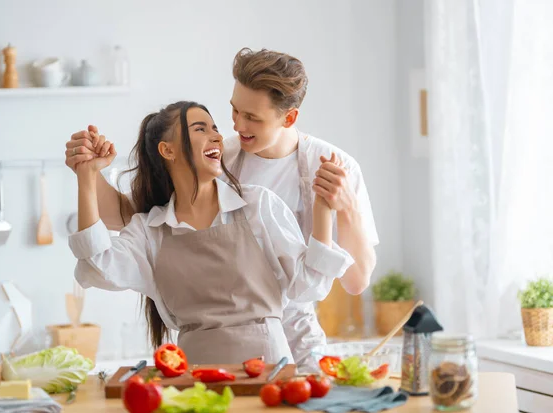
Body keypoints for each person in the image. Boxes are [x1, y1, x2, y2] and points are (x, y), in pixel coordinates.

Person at [65, 48, 379, 371]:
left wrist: (342, 207)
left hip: (295, 340)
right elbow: (135, 217)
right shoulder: (218, 156)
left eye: (252, 117)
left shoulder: (330, 169)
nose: (236, 126)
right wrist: (88, 172)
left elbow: (355, 282)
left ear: (289, 118)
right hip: (207, 359)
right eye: (234, 111)